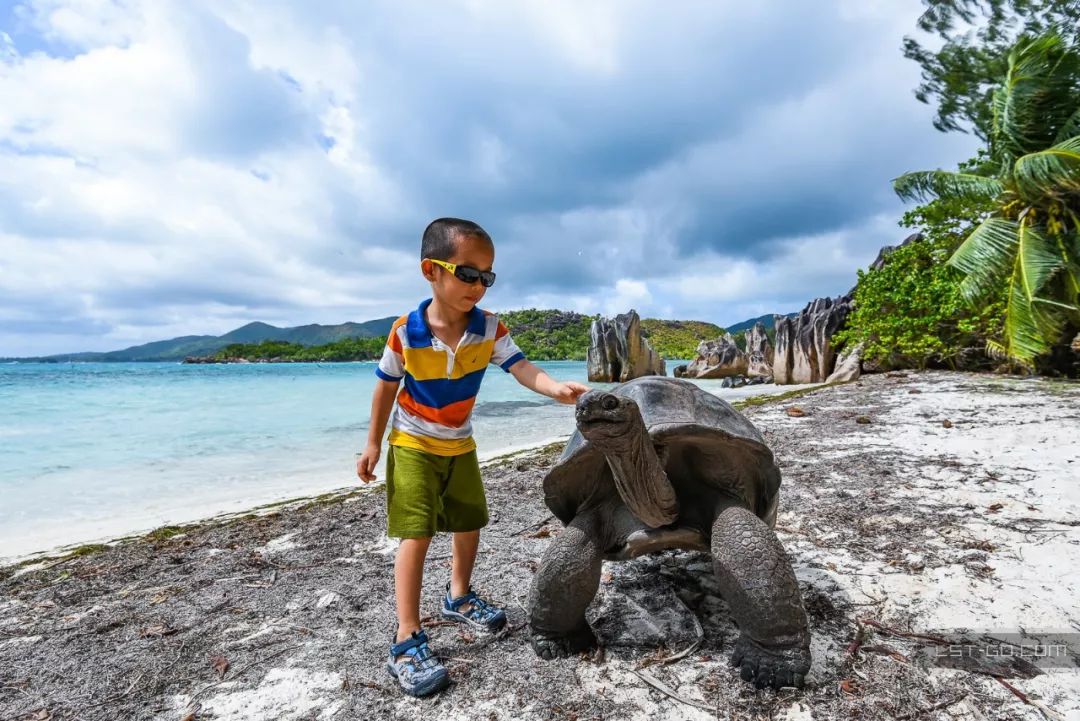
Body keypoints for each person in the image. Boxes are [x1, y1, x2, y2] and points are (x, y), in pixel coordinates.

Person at [356, 217, 589, 697]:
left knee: (469, 521)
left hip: (460, 443)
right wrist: (373, 444)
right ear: (431, 271)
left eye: (487, 276)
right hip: (412, 443)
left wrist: (555, 390)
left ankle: (458, 595)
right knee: (416, 532)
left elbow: (521, 367)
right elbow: (385, 388)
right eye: (467, 273)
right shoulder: (406, 332)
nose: (478, 285)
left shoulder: (489, 328)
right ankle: (406, 637)